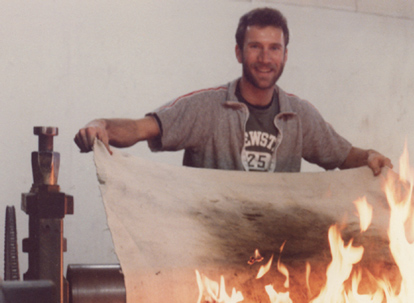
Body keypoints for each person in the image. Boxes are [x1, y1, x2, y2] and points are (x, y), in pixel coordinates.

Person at [74, 7, 391, 176]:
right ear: (239, 52)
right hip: (210, 255)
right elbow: (141, 128)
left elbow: (343, 155)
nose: (265, 58)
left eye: (274, 48)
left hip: (275, 257)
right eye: (255, 47)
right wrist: (100, 126)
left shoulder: (299, 115)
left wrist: (371, 156)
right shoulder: (207, 108)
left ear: (285, 55)